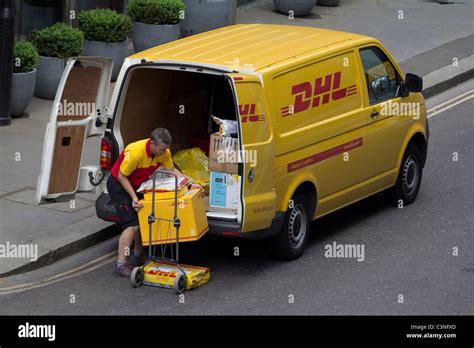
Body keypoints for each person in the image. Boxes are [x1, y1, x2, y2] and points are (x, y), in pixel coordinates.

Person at [107, 128, 185, 277]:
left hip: (136, 184)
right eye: (162, 149)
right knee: (132, 224)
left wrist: (188, 184)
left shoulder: (164, 152)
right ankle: (121, 263)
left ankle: (138, 255)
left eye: (166, 149)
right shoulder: (135, 153)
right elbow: (122, 176)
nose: (164, 153)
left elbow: (171, 170)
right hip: (118, 185)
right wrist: (134, 198)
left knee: (143, 220)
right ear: (152, 144)